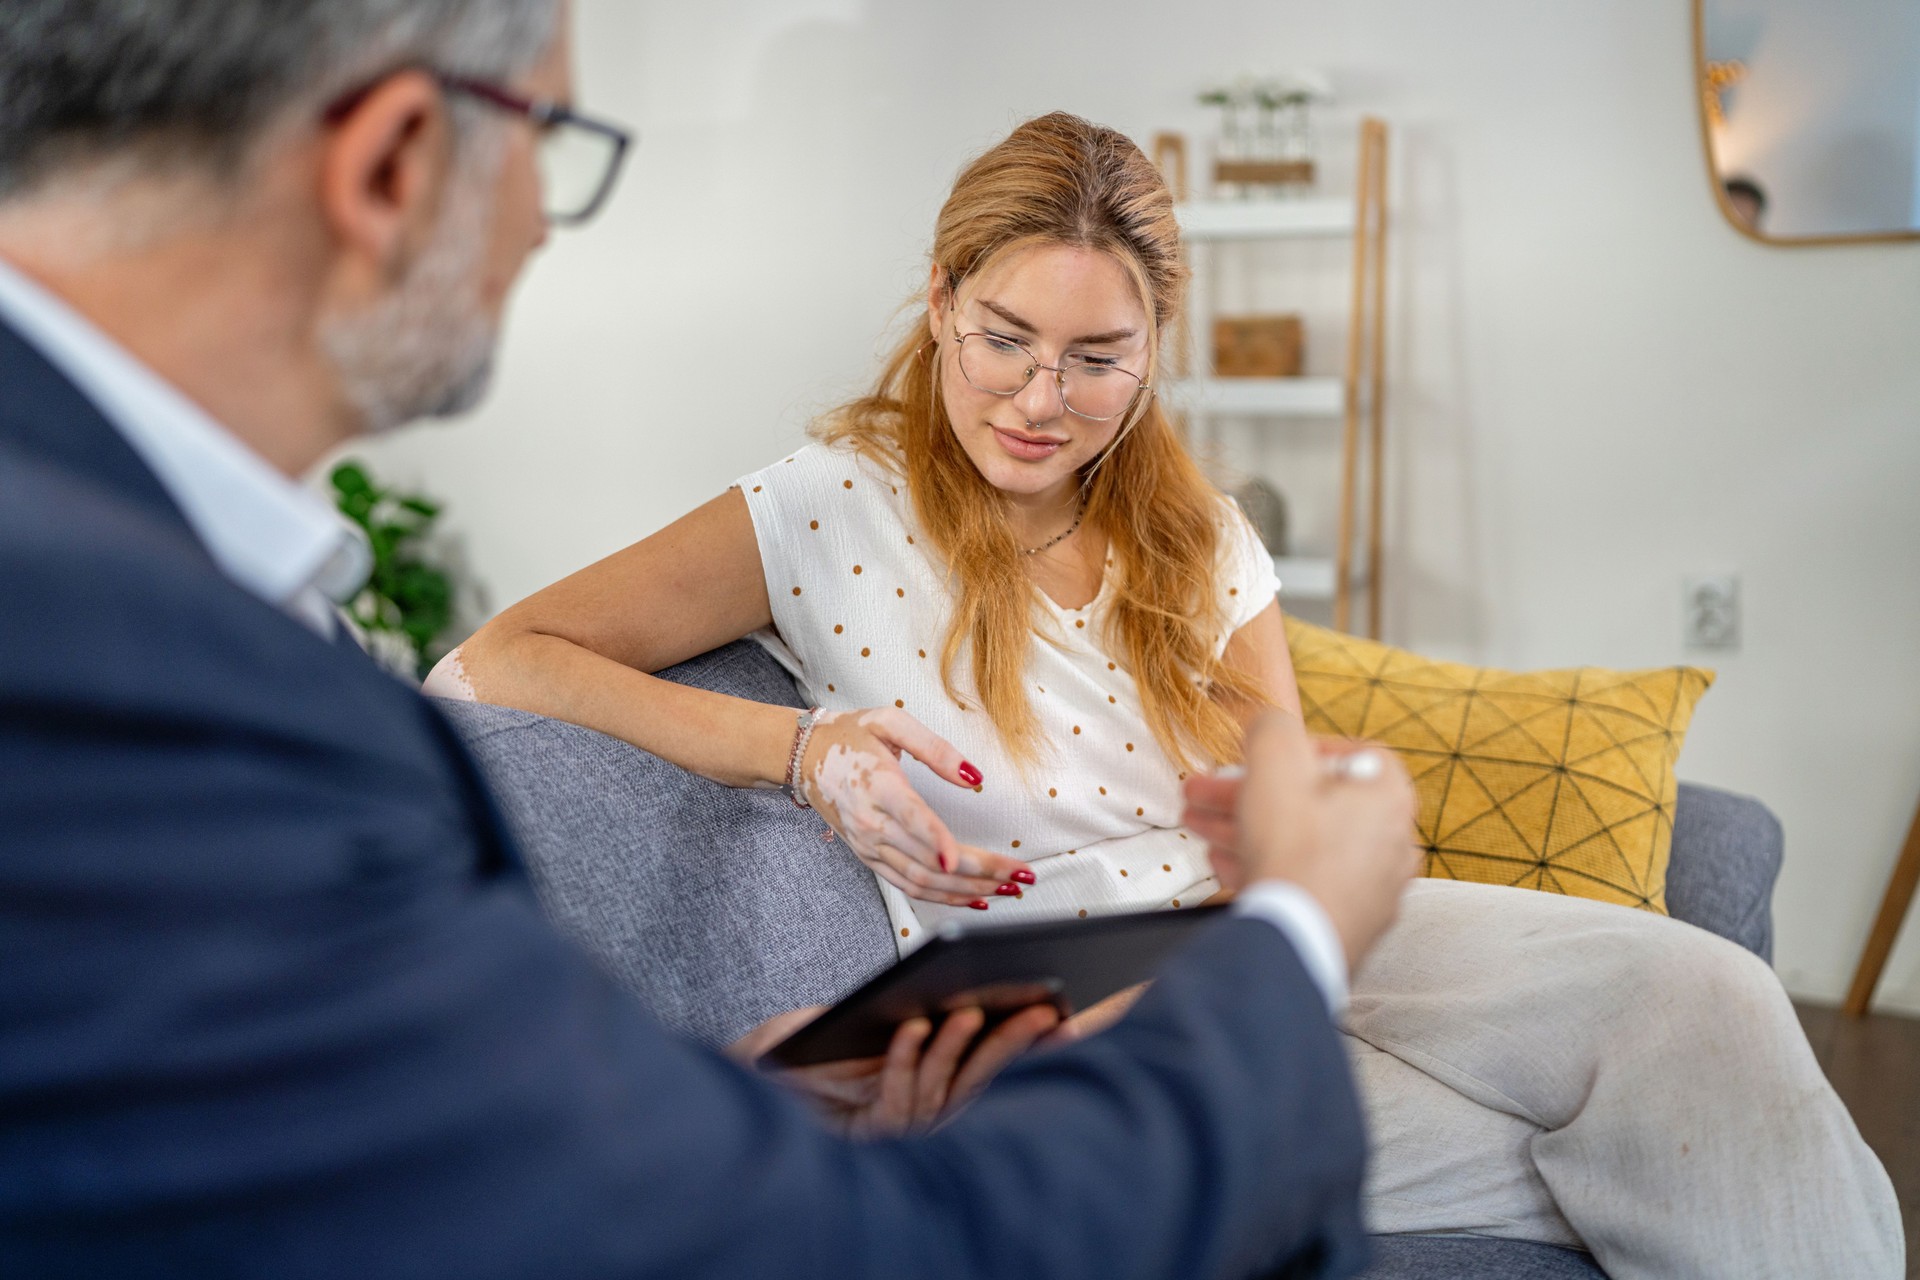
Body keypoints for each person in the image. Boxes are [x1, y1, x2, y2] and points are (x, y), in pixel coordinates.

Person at [0, 2, 1431, 1277]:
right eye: (551, 140)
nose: (545, 226)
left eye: (1096, 357)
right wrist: (1297, 938)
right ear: (391, 161)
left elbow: (407, 1144)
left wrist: (746, 1093)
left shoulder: (168, 615)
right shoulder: (133, 684)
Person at [442, 112, 1904, 1279]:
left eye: (1096, 359)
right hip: (1080, 1018)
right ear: (942, 302)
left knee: (1703, 997)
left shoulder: (1191, 527)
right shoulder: (828, 504)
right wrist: (803, 750)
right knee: (1620, 1151)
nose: (1037, 399)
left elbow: (1288, 771)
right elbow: (503, 657)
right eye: (1004, 337)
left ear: (1154, 357)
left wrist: (1294, 799)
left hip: (1270, 935)